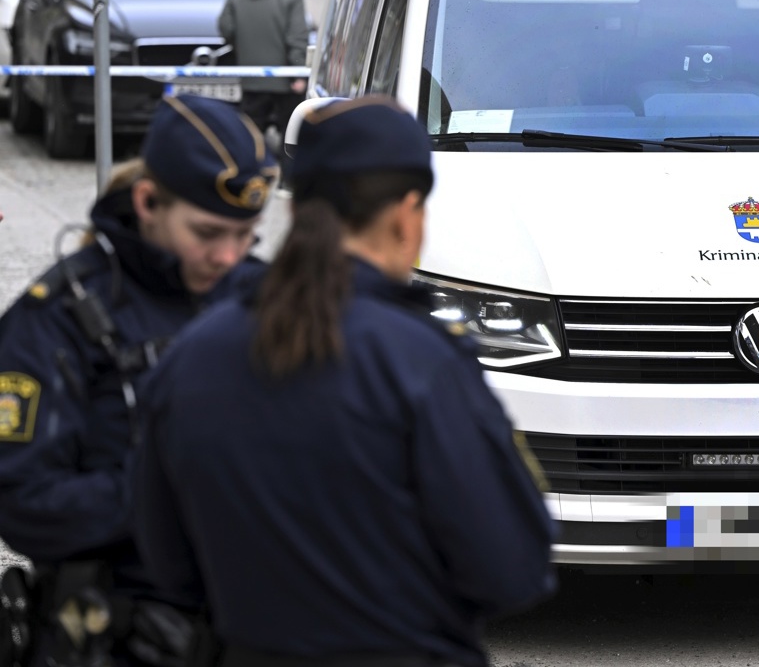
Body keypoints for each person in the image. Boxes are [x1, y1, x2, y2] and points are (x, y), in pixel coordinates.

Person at [132, 97, 557, 667]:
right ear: (408, 214)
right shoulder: (421, 363)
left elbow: (164, 564)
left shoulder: (190, 358)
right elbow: (512, 569)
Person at [0, 95, 277, 667]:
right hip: (122, 637)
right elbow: (21, 504)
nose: (228, 256)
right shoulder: (55, 319)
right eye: (207, 233)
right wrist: (168, 492)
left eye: (246, 234)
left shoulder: (265, 297)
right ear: (149, 202)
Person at [219, 0, 308, 139]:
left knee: (249, 136)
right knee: (291, 138)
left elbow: (225, 28)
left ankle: (251, 168)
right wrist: (298, 74)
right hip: (286, 82)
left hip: (251, 80)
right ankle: (285, 170)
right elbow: (297, 37)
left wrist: (242, 47)